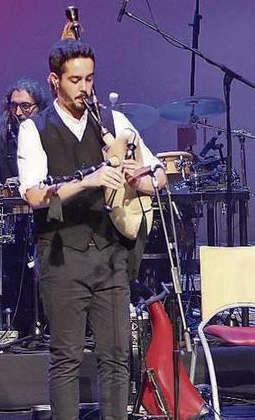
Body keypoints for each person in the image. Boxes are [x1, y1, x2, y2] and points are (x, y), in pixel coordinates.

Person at [17, 39, 166, 420]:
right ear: (55, 81)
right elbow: (35, 195)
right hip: (62, 254)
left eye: (90, 79)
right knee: (66, 358)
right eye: (75, 80)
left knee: (116, 357)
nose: (85, 88)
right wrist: (89, 179)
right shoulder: (35, 129)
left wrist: (142, 174)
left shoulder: (114, 123)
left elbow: (159, 175)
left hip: (110, 255)